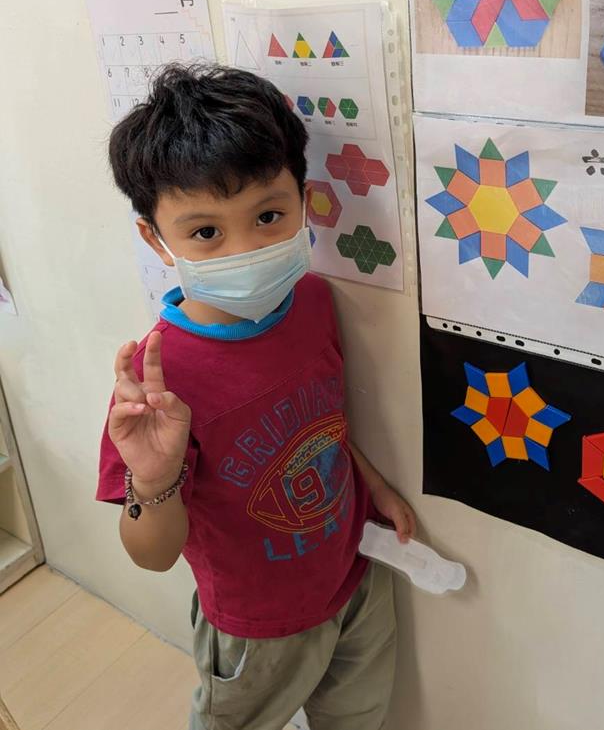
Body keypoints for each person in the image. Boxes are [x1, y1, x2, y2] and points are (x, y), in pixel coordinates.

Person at [95, 63, 416, 730]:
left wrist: (374, 485)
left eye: (269, 215)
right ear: (156, 238)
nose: (245, 247)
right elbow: (151, 553)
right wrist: (152, 479)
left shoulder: (313, 300)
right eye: (206, 232)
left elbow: (318, 423)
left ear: (303, 198)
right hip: (254, 627)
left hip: (356, 573)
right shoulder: (159, 381)